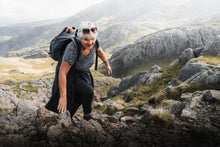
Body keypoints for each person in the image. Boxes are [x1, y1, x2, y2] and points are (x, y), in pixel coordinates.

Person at [45, 21, 112, 120]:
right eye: (86, 39)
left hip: (84, 72)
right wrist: (63, 97)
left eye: (92, 39)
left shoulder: (95, 42)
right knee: (85, 92)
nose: (90, 43)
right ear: (79, 37)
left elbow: (98, 49)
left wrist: (106, 63)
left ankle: (76, 116)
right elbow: (63, 72)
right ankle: (80, 117)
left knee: (84, 94)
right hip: (70, 73)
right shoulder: (72, 48)